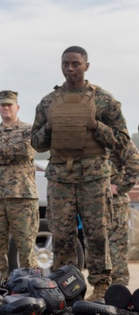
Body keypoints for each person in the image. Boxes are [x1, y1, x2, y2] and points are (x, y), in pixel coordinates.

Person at [31, 46, 131, 301]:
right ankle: (66, 287)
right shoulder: (48, 102)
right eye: (65, 63)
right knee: (62, 235)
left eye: (76, 63)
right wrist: (49, 129)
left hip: (94, 176)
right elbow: (37, 143)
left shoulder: (104, 100)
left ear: (87, 66)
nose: (70, 68)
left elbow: (121, 140)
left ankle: (100, 286)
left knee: (97, 233)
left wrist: (96, 126)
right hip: (60, 177)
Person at [0, 90, 39, 280]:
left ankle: (31, 286)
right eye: (3, 105)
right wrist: (12, 152)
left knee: (26, 248)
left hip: (22, 197)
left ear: (17, 107)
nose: (6, 108)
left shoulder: (30, 130)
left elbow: (27, 152)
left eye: (9, 105)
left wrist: (0, 150)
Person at [108, 139, 139, 286]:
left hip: (115, 200)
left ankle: (118, 289)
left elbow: (134, 163)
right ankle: (101, 286)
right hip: (91, 200)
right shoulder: (89, 135)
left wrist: (120, 188)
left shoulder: (118, 137)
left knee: (117, 244)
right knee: (94, 244)